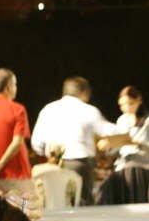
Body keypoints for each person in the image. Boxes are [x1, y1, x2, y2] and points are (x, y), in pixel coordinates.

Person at [31, 76, 118, 205]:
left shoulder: (47, 109)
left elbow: (36, 143)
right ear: (84, 92)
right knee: (81, 204)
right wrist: (128, 125)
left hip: (53, 165)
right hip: (79, 164)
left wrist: (49, 153)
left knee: (55, 203)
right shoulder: (88, 110)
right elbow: (109, 131)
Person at [97, 85, 149, 171]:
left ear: (139, 100)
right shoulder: (122, 120)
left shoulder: (148, 120)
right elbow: (118, 145)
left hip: (143, 165)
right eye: (122, 105)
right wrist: (109, 145)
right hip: (125, 163)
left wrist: (137, 143)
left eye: (130, 103)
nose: (126, 108)